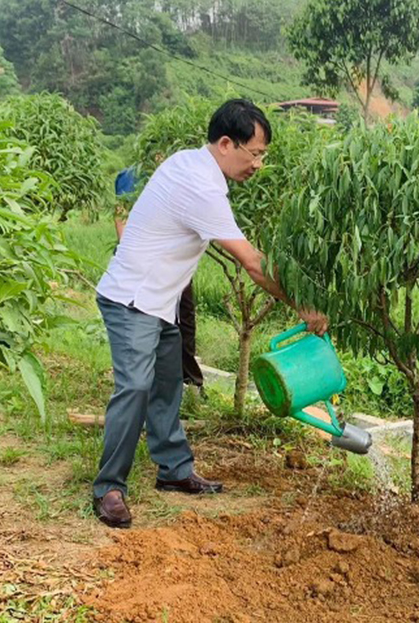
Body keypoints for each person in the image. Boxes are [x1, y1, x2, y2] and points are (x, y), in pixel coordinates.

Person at [92, 99, 327, 529]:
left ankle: (175, 471)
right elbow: (252, 262)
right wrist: (304, 304)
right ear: (224, 144)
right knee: (136, 387)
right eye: (254, 153)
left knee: (167, 384)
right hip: (132, 299)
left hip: (160, 300)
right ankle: (109, 488)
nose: (258, 164)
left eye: (263, 155)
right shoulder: (201, 187)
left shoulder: (192, 164)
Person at [113, 160, 204, 393]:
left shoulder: (181, 175)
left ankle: (189, 381)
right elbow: (121, 213)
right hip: (145, 262)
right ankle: (148, 381)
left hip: (174, 260)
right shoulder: (132, 176)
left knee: (183, 317)